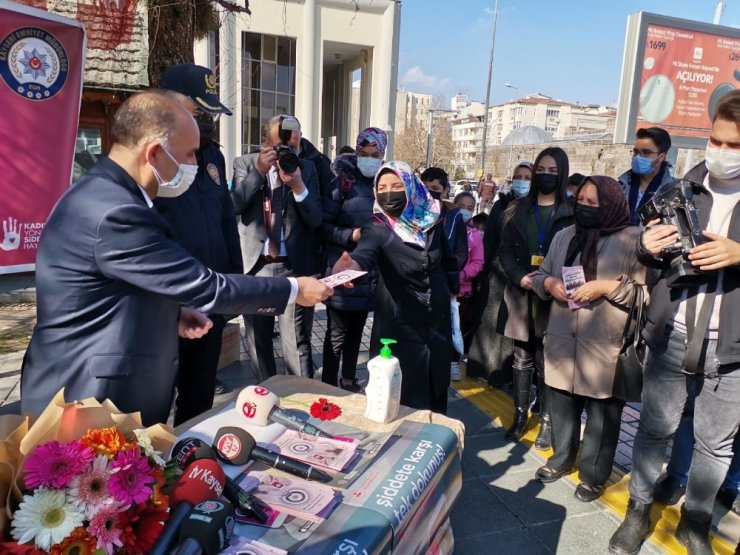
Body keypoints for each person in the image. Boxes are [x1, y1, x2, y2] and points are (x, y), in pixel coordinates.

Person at [20, 91, 332, 426]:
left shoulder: (110, 195)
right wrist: (292, 289)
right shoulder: (113, 211)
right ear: (154, 153)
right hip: (86, 405)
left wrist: (173, 312)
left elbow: (119, 288)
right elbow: (205, 286)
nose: (196, 167)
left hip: (105, 395)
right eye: (189, 155)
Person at [609, 91, 740, 555]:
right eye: (715, 139)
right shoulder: (684, 187)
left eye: (733, 144)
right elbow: (648, 255)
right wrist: (648, 243)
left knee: (714, 445)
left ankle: (695, 522)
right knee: (654, 429)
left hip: (731, 347)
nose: (720, 151)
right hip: (673, 332)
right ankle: (637, 511)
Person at [531, 176, 646, 502]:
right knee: (563, 409)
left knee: (602, 419)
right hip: (562, 343)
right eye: (581, 200)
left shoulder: (632, 241)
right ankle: (561, 458)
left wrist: (606, 287)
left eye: (594, 204)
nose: (584, 208)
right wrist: (550, 283)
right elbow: (541, 276)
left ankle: (593, 476)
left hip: (605, 349)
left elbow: (647, 295)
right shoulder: (565, 236)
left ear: (611, 204)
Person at [332, 161, 459, 413]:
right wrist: (351, 267)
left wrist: (453, 292)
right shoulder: (377, 226)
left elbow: (447, 260)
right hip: (400, 325)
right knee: (402, 398)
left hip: (437, 322)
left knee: (437, 390)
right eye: (382, 187)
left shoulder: (431, 216)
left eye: (396, 185)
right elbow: (365, 253)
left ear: (410, 186)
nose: (389, 193)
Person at [154, 63, 241, 426]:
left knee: (200, 396)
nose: (206, 122)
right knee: (155, 405)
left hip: (211, 299)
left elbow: (225, 222)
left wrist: (233, 284)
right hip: (167, 305)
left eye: (210, 114)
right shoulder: (153, 158)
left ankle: (191, 464)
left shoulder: (213, 157)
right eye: (198, 112)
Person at [232, 115, 324, 381]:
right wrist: (260, 170)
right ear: (266, 143)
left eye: (293, 148)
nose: (287, 152)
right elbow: (235, 205)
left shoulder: (306, 169)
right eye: (281, 146)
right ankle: (267, 397)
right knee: (258, 343)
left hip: (292, 267)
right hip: (256, 266)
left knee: (296, 343)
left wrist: (298, 186)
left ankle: (303, 399)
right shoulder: (246, 163)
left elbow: (316, 218)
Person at [499, 148, 574, 449]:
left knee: (546, 362)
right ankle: (520, 415)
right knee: (521, 357)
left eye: (553, 172)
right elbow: (504, 250)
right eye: (541, 169)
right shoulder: (516, 209)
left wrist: (549, 282)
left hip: (552, 297)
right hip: (521, 294)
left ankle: (545, 420)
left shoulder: (570, 212)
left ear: (563, 174)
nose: (545, 175)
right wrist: (521, 277)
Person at [320, 127, 387, 392]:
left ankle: (348, 380)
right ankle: (327, 385)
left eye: (375, 154)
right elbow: (323, 227)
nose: (369, 158)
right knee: (336, 334)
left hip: (370, 274)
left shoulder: (385, 185)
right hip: (343, 268)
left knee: (357, 332)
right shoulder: (341, 184)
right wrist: (351, 236)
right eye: (363, 153)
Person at [467, 162, 532, 388]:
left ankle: (503, 375)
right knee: (489, 322)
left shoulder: (534, 207)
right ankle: (481, 367)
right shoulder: (501, 205)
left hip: (521, 275)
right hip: (496, 273)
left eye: (527, 176)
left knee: (510, 328)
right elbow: (490, 239)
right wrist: (483, 271)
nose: (522, 181)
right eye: (519, 176)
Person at [449, 191, 484, 381]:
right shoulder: (445, 227)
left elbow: (478, 262)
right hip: (443, 289)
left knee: (457, 328)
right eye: (461, 206)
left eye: (470, 208)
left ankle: (454, 362)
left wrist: (461, 275)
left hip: (462, 292)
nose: (465, 211)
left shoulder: (475, 235)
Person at [618, 127, 674, 225]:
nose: (638, 157)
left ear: (661, 157)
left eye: (646, 153)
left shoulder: (672, 192)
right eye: (636, 152)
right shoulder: (619, 187)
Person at [421, 167, 468, 272]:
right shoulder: (412, 215)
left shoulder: (455, 218)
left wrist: (448, 269)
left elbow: (461, 252)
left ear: (445, 191)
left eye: (435, 188)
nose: (429, 193)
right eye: (425, 188)